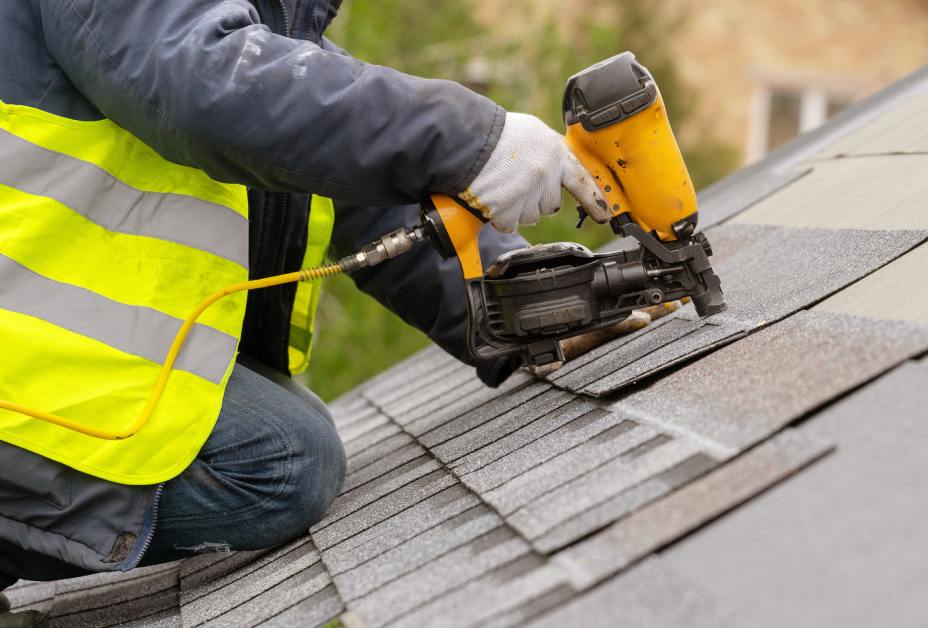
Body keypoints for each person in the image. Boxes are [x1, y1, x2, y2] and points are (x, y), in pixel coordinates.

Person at [0, 0, 612, 613]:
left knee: (281, 435)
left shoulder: (255, 23)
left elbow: (342, 160)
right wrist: (467, 140)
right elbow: (210, 84)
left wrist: (520, 303)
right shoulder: (193, 36)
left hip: (43, 347)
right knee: (280, 461)